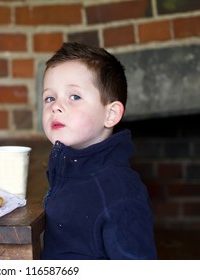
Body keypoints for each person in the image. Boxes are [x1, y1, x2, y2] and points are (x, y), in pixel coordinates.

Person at [40, 42, 157, 260]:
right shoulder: (68, 168)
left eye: (74, 96)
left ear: (111, 115)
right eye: (50, 98)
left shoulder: (120, 192)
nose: (55, 106)